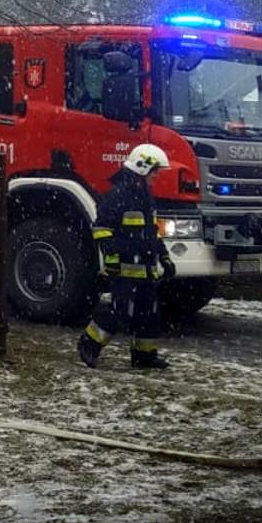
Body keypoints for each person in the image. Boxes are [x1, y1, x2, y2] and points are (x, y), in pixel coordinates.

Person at [78, 144, 175, 370]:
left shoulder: (146, 198)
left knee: (149, 315)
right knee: (120, 312)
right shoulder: (118, 196)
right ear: (142, 169)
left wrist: (165, 258)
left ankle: (144, 356)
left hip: (146, 270)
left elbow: (153, 233)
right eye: (155, 171)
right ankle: (89, 344)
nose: (157, 176)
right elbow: (101, 228)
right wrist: (112, 255)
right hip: (124, 269)